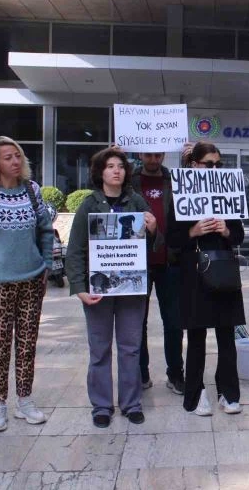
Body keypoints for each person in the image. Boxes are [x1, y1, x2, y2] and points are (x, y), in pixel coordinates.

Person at [0, 136, 54, 432]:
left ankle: (25, 401)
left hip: (31, 280)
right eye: (8, 157)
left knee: (27, 344)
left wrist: (46, 265)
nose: (15, 161)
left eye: (17, 156)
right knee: (0, 346)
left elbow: (45, 231)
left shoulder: (32, 191)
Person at [66, 147, 157, 428]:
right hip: (98, 290)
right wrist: (79, 287)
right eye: (110, 166)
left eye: (120, 166)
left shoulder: (137, 202)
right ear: (100, 172)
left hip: (131, 289)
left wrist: (153, 229)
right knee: (100, 349)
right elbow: (75, 250)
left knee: (130, 348)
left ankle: (131, 403)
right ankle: (102, 406)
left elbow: (152, 246)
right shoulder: (89, 205)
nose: (116, 170)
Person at [167, 142, 245, 417]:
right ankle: (196, 392)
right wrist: (193, 231)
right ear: (194, 165)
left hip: (224, 270)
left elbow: (239, 234)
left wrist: (226, 230)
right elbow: (172, 238)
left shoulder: (228, 191)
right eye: (208, 164)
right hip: (194, 272)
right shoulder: (181, 193)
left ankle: (228, 392)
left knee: (227, 334)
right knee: (197, 335)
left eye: (218, 164)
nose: (214, 169)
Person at [131, 152, 184, 394]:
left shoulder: (175, 180)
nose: (153, 159)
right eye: (149, 155)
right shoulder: (128, 180)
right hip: (136, 261)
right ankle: (141, 373)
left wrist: (189, 161)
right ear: (140, 153)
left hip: (170, 260)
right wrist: (114, 155)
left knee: (173, 321)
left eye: (158, 155)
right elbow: (101, 184)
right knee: (137, 322)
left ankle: (175, 374)